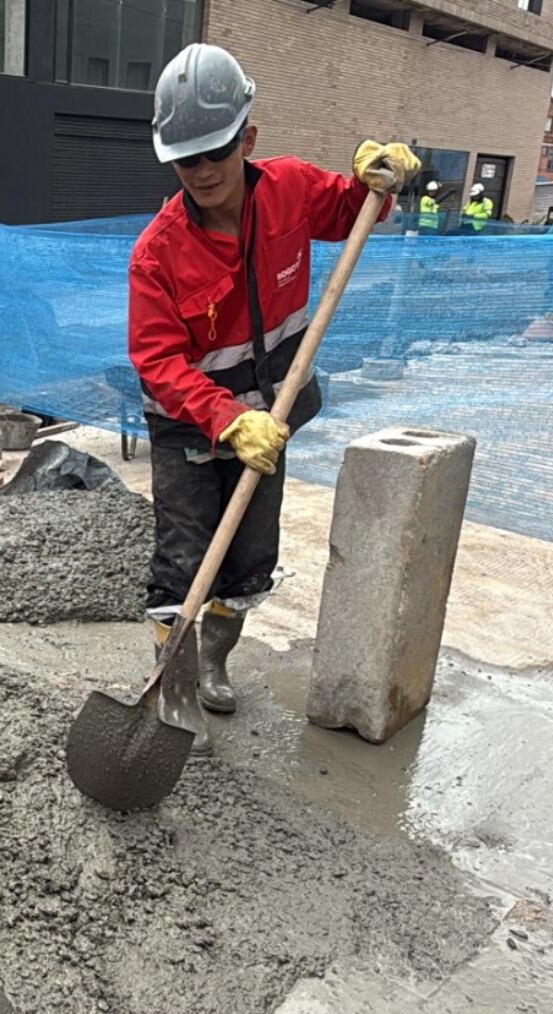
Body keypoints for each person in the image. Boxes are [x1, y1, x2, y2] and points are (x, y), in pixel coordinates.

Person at [131, 44, 416, 741]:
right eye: (185, 160)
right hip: (189, 422)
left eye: (215, 153)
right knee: (182, 559)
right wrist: (225, 419)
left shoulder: (289, 190)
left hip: (272, 411)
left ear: (247, 139)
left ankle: (216, 662)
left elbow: (355, 209)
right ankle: (176, 688)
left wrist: (379, 180)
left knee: (250, 555)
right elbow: (156, 359)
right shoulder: (158, 252)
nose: (201, 172)